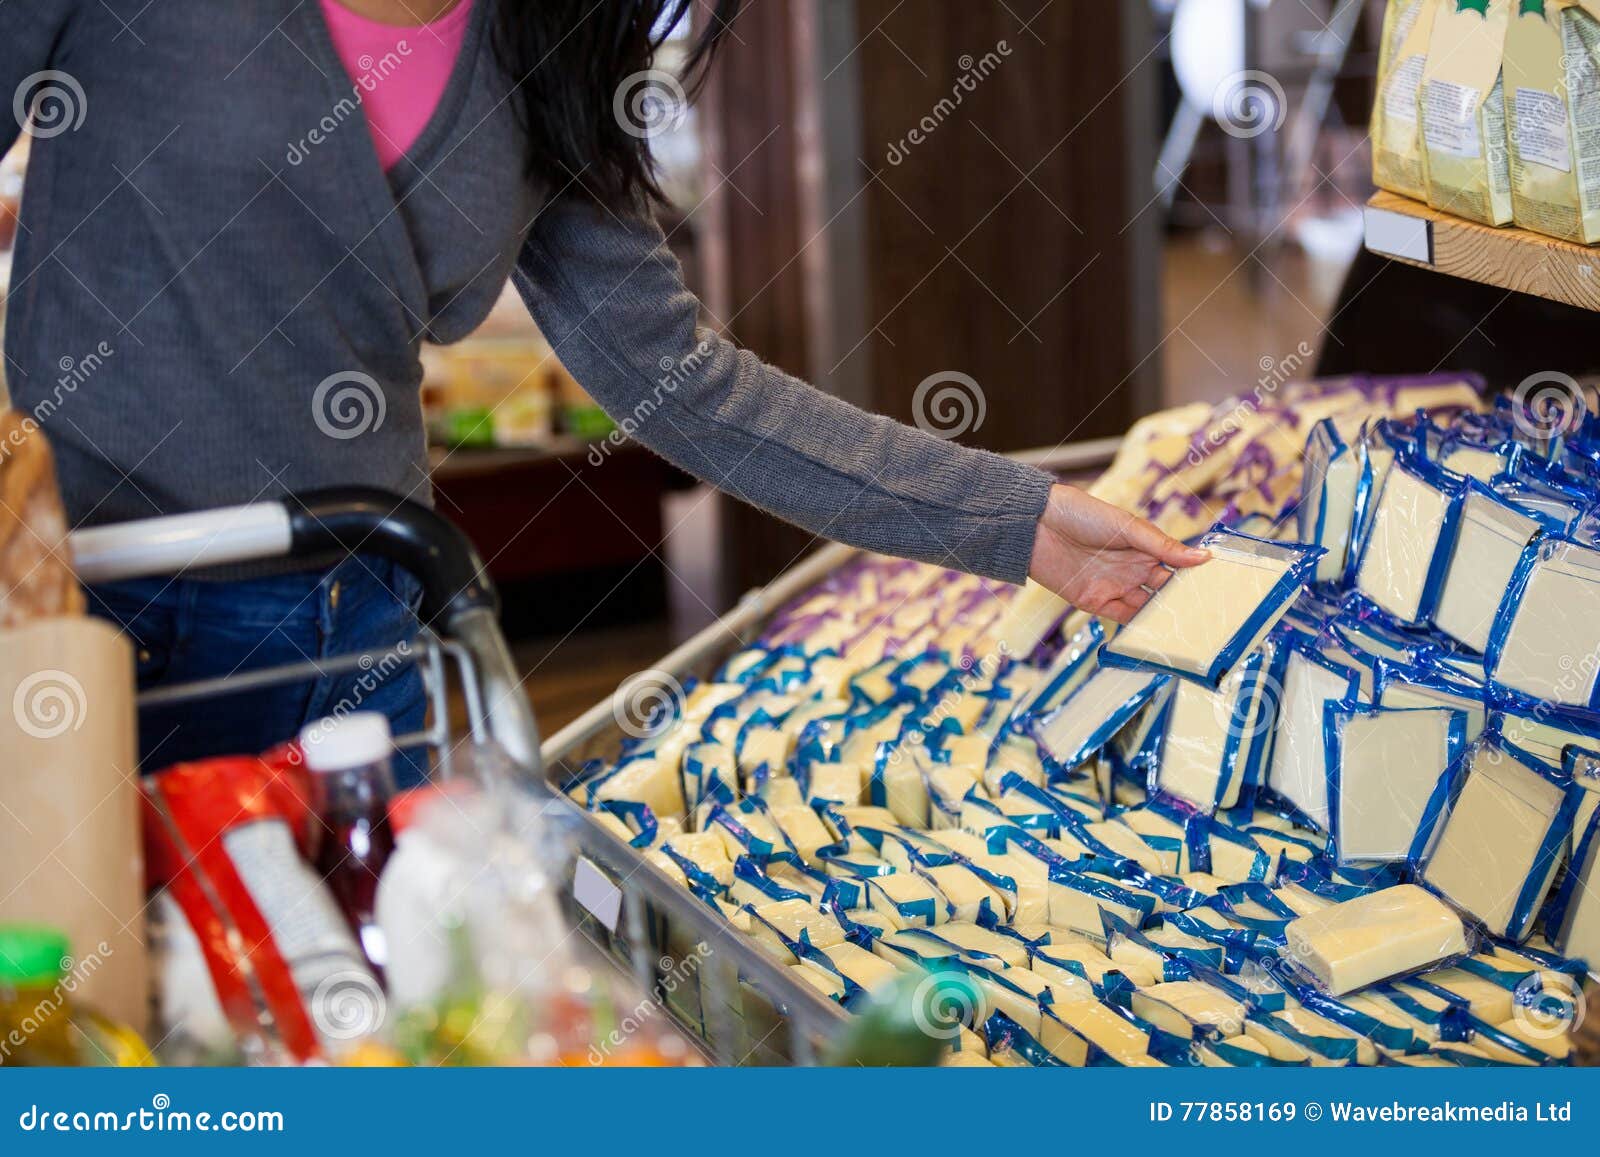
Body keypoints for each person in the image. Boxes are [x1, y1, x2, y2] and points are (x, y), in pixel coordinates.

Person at [1, 0, 1204, 778]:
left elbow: (678, 379)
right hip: (73, 599)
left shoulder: (551, 44)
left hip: (358, 618)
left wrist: (1020, 520)